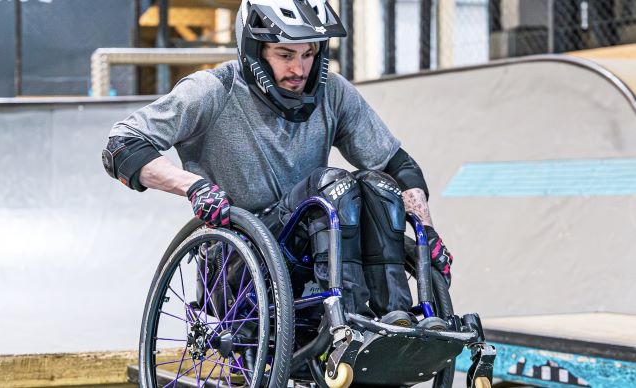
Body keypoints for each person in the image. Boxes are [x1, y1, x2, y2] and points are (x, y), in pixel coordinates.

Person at [102, 0, 453, 325]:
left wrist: (428, 233)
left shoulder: (333, 91)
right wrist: (194, 188)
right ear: (255, 51)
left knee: (376, 185)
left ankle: (394, 319)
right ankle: (348, 320)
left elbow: (399, 166)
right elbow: (121, 147)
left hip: (314, 252)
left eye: (309, 54)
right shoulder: (213, 90)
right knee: (333, 185)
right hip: (239, 265)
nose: (299, 69)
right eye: (285, 54)